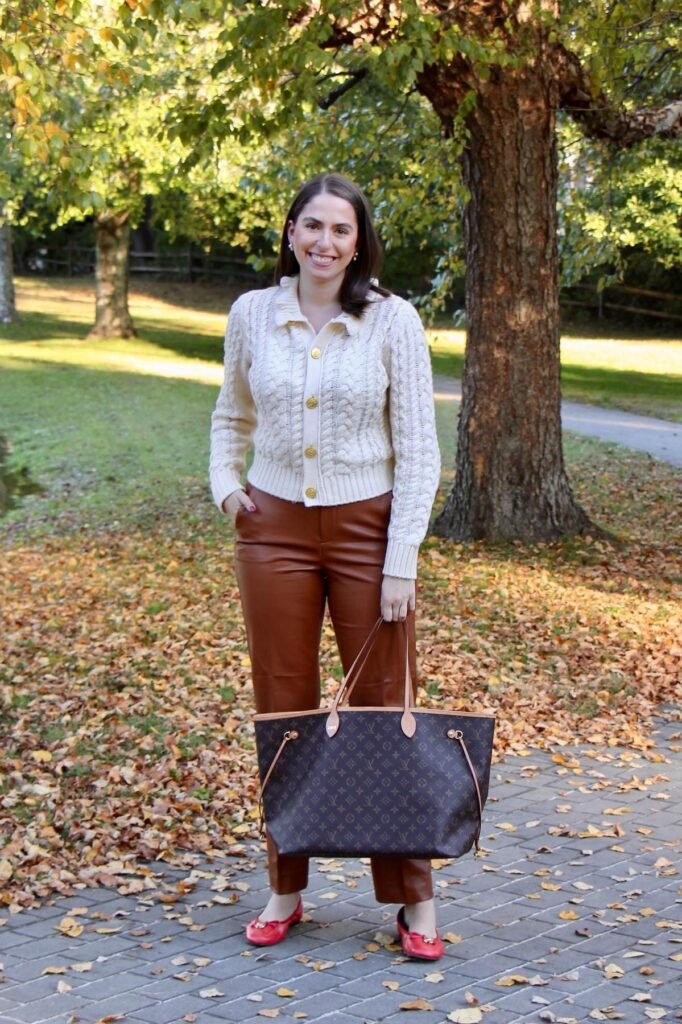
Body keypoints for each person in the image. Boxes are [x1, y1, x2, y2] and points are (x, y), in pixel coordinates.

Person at [209, 173, 442, 959]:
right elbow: (228, 414)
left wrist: (400, 558)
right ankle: (286, 885)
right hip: (270, 530)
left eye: (340, 230)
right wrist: (225, 488)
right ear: (290, 231)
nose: (324, 242)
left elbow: (420, 450)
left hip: (367, 534)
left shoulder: (392, 322)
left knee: (384, 706)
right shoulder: (251, 314)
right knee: (283, 707)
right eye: (312, 225)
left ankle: (413, 898)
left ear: (358, 242)